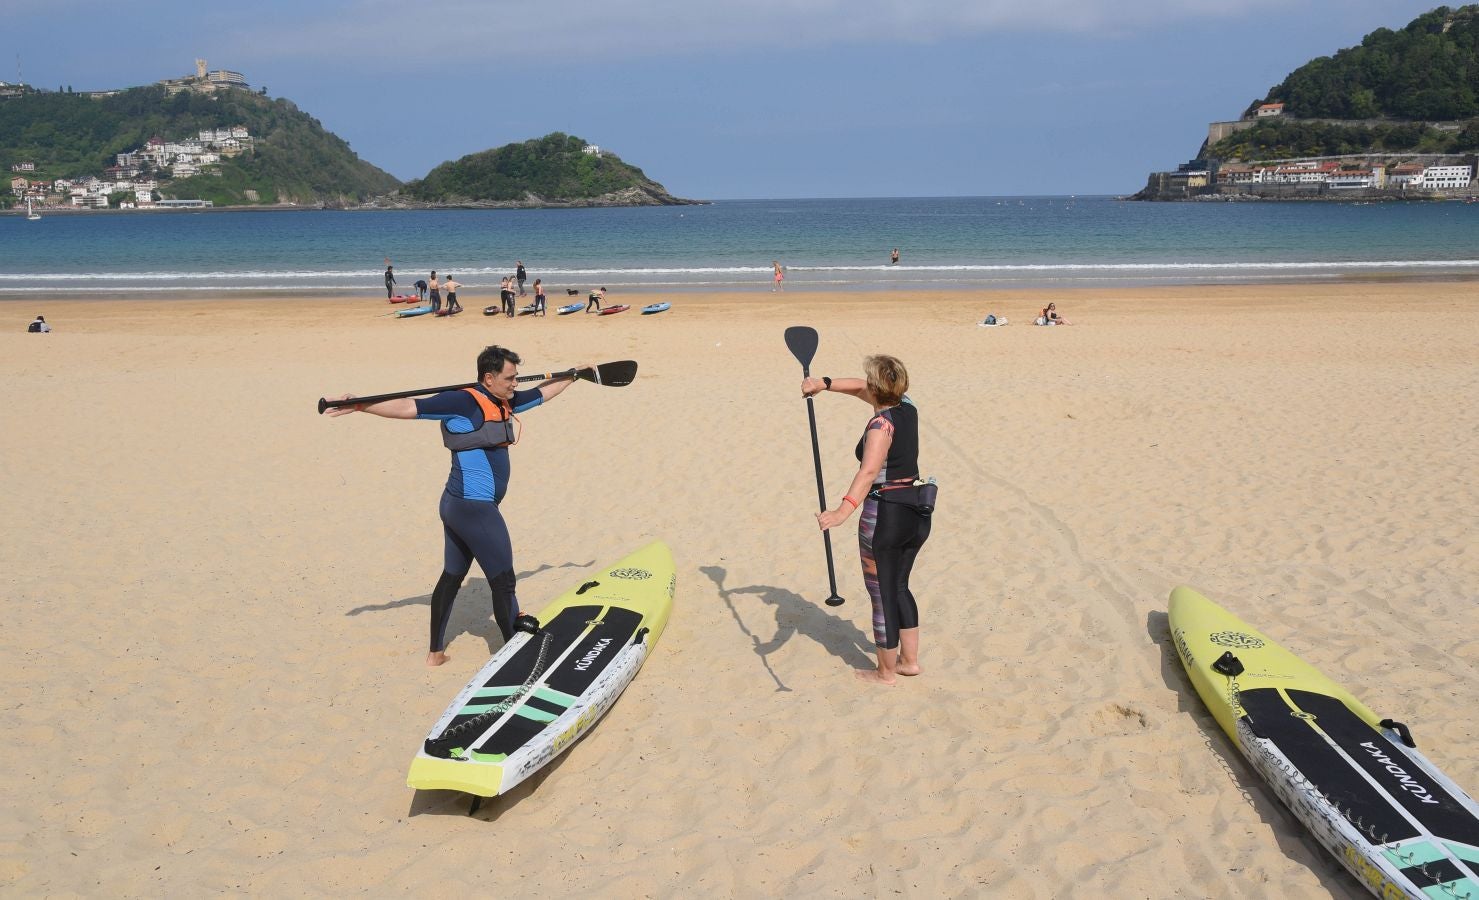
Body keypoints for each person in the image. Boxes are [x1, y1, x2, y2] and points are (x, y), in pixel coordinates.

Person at [326, 345, 588, 666]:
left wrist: (575, 376)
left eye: (516, 378)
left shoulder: (504, 400)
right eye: (510, 378)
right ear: (488, 378)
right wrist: (361, 405)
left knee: (452, 577)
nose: (515, 384)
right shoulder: (461, 401)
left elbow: (543, 393)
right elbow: (410, 407)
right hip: (473, 508)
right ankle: (514, 662)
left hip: (456, 505)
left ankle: (435, 654)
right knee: (504, 582)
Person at [803, 356, 931, 686]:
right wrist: (825, 384)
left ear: (877, 387)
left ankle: (885, 672)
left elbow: (869, 471)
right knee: (900, 586)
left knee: (881, 594)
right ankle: (909, 662)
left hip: (884, 516)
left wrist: (842, 512)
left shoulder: (880, 426)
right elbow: (860, 388)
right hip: (915, 511)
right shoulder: (907, 406)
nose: (864, 385)